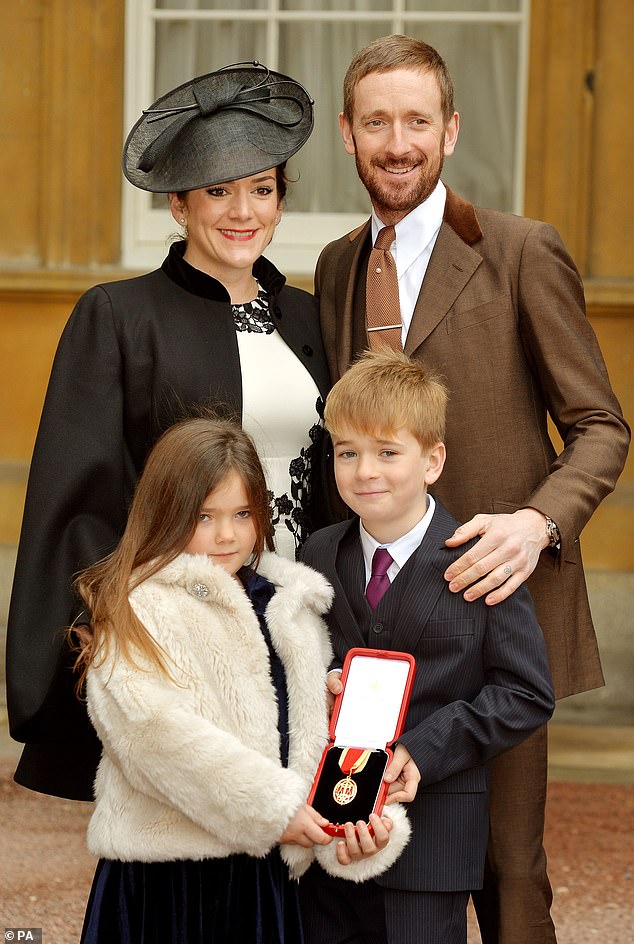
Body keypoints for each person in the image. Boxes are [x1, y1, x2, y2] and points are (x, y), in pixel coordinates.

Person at [314, 34, 630, 943]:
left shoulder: (524, 251)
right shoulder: (337, 264)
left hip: (496, 616)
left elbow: (603, 429)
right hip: (373, 635)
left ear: (451, 130)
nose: (398, 142)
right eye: (377, 122)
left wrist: (538, 525)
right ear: (347, 134)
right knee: (369, 857)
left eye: (418, 120)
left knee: (506, 867)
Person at [7, 61, 335, 802]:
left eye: (261, 188)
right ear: (179, 205)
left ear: (282, 199)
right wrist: (119, 623)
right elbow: (78, 496)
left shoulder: (311, 319)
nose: (241, 210)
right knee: (190, 845)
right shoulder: (117, 316)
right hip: (184, 626)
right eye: (218, 190)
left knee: (295, 843)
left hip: (299, 620)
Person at [73, 415, 409, 944]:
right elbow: (153, 735)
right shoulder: (140, 608)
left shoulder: (287, 607)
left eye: (242, 513)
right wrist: (273, 811)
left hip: (263, 879)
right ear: (167, 513)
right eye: (204, 516)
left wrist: (346, 824)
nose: (226, 534)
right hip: (168, 882)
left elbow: (305, 743)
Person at [298, 351, 555, 944]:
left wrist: (422, 750)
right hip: (326, 828)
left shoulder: (479, 556)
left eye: (388, 452)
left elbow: (526, 693)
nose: (366, 471)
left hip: (431, 840)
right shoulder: (316, 554)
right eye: (348, 453)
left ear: (433, 460)